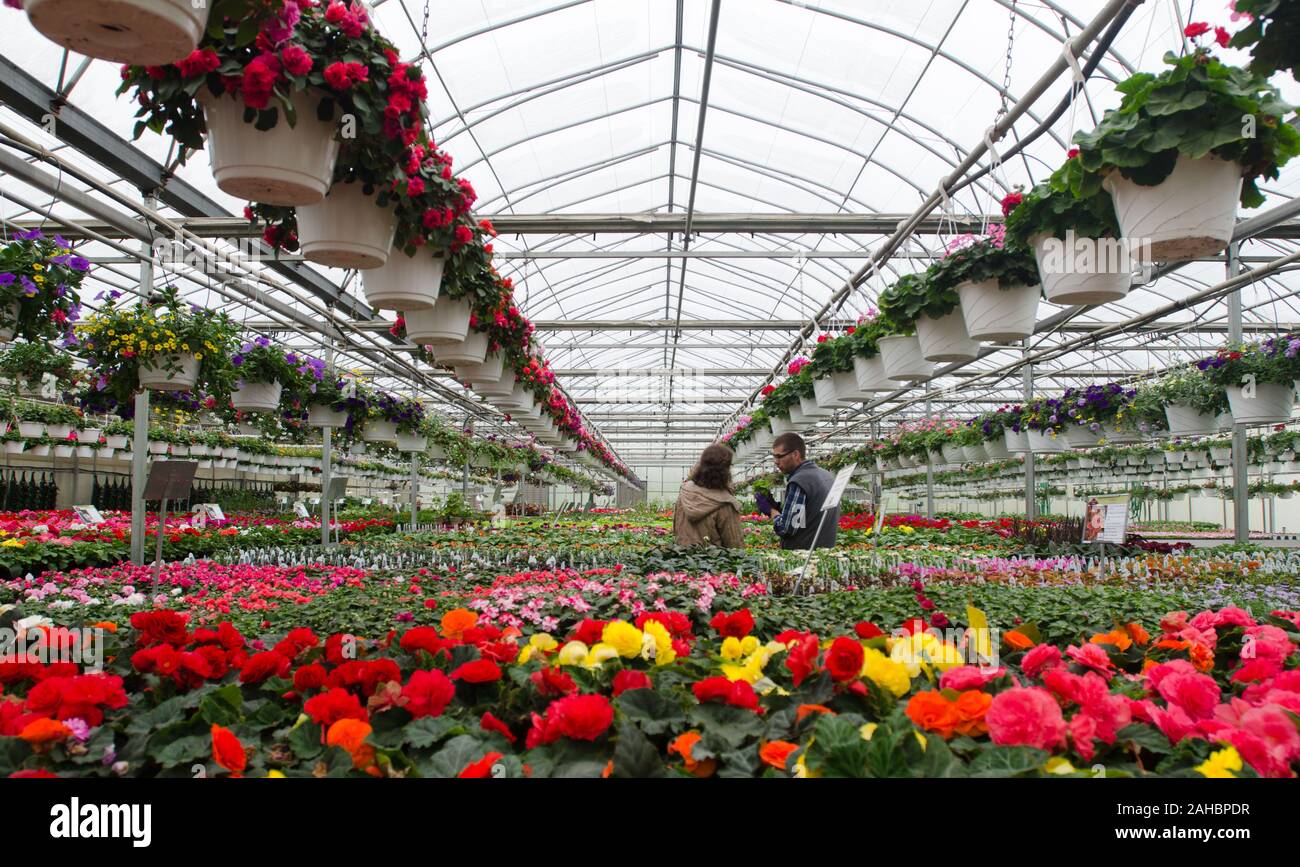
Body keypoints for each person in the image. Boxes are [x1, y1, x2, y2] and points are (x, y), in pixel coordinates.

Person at [756, 433, 838, 550]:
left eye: (779, 456)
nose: (776, 461)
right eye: (774, 457)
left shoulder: (799, 481)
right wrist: (780, 509)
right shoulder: (826, 475)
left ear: (795, 454)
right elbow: (805, 517)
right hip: (824, 553)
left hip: (803, 557)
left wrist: (772, 511)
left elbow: (787, 529)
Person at [672, 444, 745, 548]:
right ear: (725, 470)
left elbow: (676, 529)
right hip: (713, 562)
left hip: (681, 560)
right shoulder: (725, 503)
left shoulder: (685, 492)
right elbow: (735, 546)